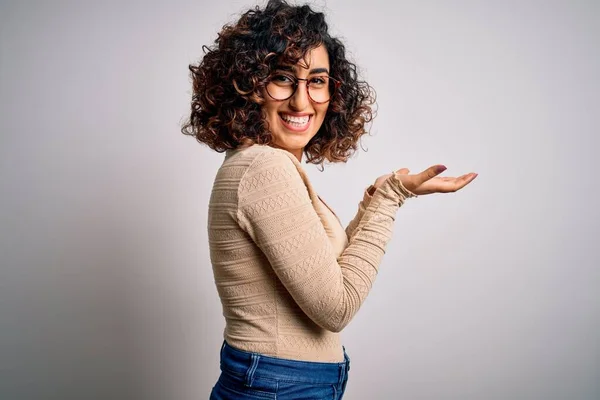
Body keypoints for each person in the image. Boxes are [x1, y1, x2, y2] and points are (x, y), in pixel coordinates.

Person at [182, 0, 477, 398]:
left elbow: (328, 272)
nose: (302, 102)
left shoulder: (261, 165)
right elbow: (336, 307)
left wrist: (390, 193)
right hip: (279, 386)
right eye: (283, 78)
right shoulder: (265, 168)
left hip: (280, 382)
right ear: (248, 86)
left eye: (317, 81)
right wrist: (389, 198)